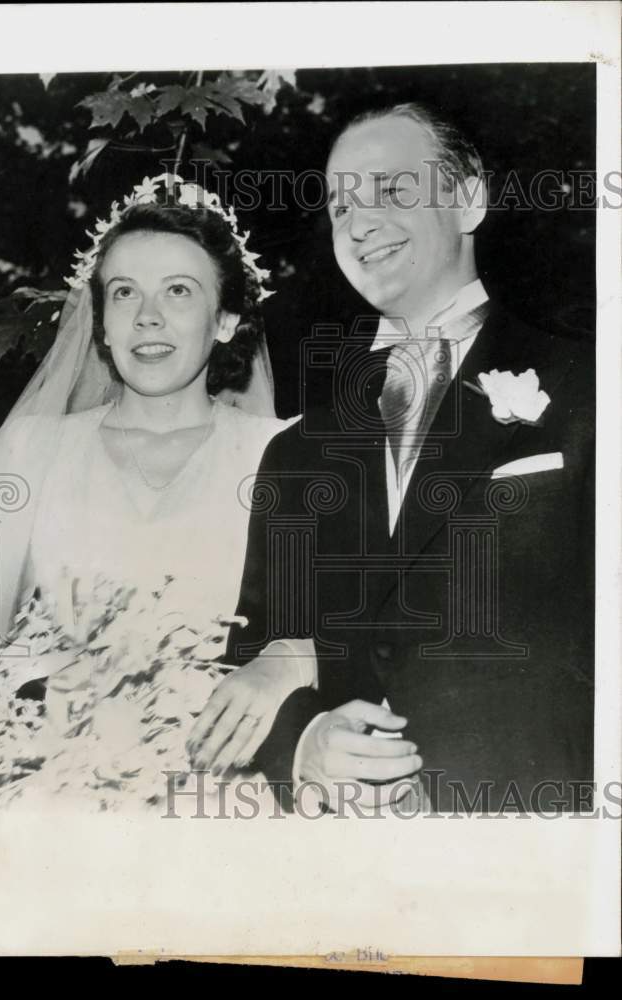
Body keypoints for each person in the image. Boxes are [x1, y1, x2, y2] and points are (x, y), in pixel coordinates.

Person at [216, 104, 595, 813]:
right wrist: (302, 744)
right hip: (352, 868)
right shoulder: (297, 452)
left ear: (469, 198)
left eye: (390, 191)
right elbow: (252, 661)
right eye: (340, 208)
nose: (359, 224)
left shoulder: (593, 386)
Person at [0, 174, 310, 808]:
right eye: (124, 292)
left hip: (219, 791)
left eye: (179, 292)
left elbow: (347, 629)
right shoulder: (31, 450)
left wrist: (286, 662)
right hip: (46, 784)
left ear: (227, 320)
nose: (147, 317)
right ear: (100, 322)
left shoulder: (283, 452)